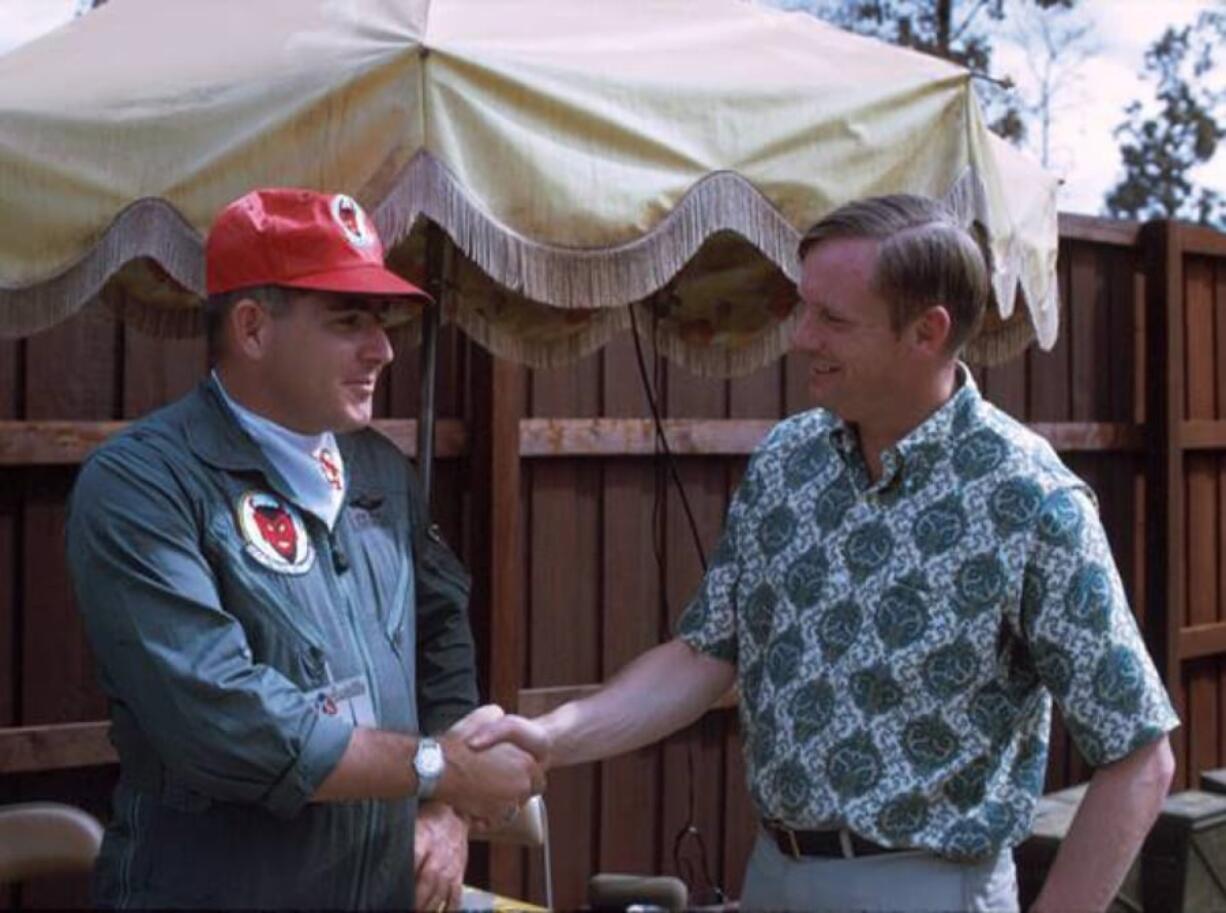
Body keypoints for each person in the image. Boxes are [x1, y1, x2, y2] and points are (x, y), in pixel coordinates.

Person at [472, 194, 1179, 912]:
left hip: (929, 888)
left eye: (833, 318)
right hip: (772, 874)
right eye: (804, 307)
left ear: (926, 331)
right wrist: (552, 736)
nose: (802, 336)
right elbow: (705, 653)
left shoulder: (1031, 500)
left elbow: (1141, 755)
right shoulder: (789, 459)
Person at [67, 188, 544, 910]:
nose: (382, 347)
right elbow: (224, 720)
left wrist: (445, 812)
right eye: (348, 319)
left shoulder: (379, 471)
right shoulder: (145, 482)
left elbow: (443, 627)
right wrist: (435, 766)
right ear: (254, 328)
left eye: (380, 320)